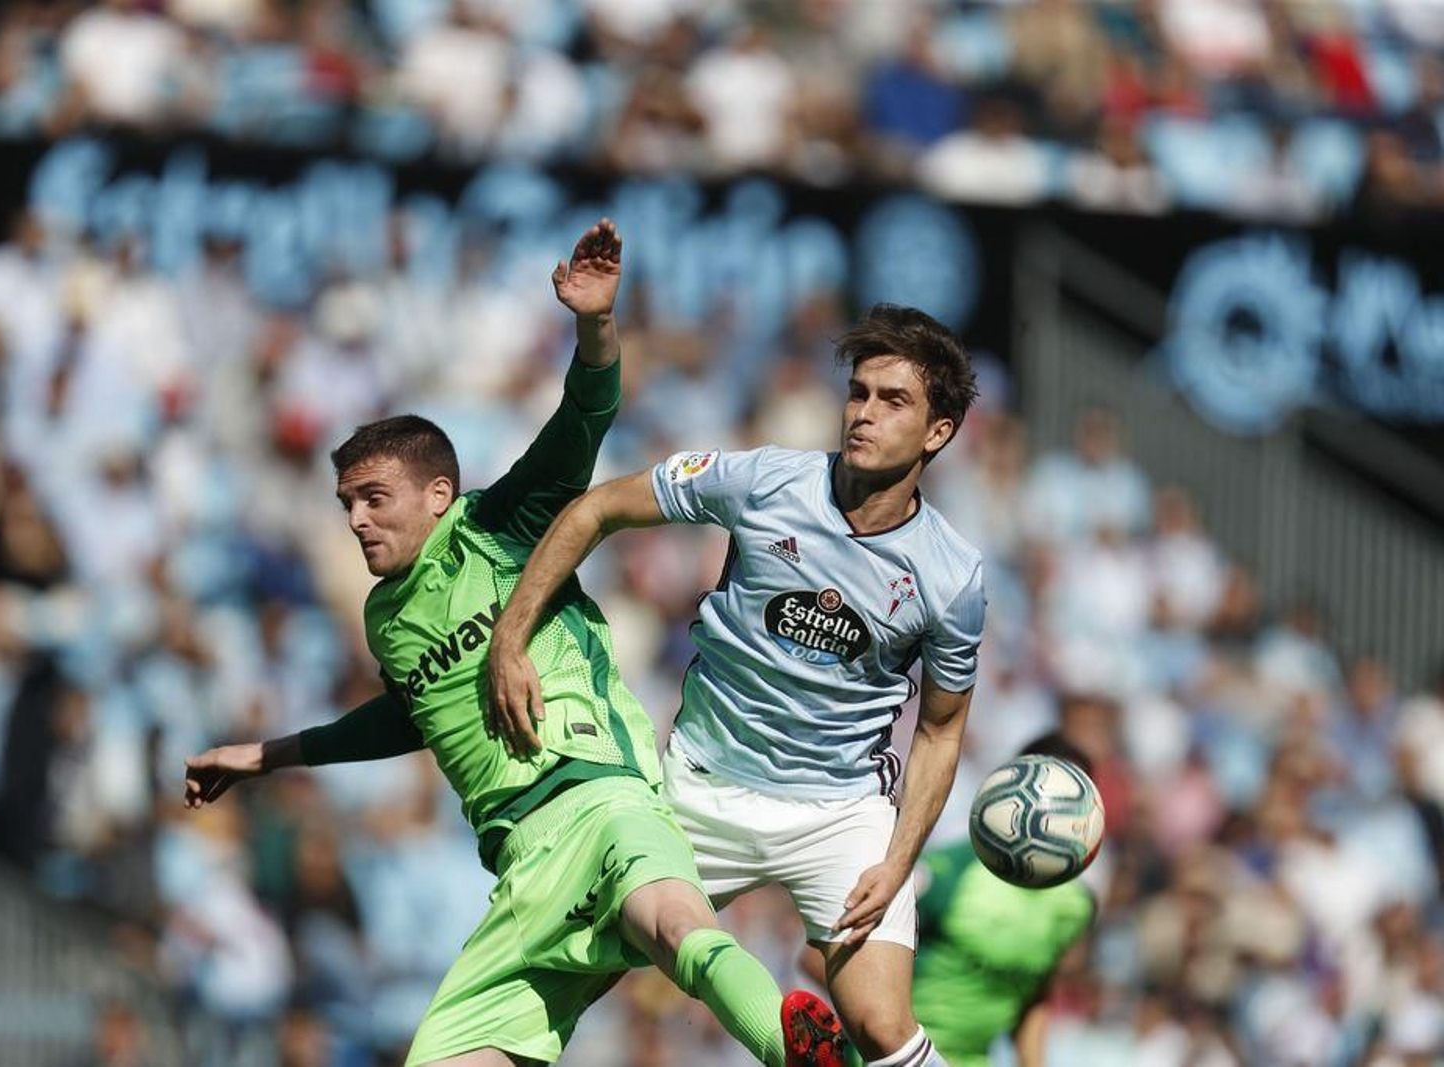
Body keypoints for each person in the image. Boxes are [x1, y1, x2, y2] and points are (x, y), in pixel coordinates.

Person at [181, 220, 843, 1067]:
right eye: (346, 501)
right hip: (523, 871)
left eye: (375, 497)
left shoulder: (501, 526)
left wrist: (596, 324)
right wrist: (264, 755)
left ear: (439, 493)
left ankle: (795, 1048)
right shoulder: (386, 616)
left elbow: (585, 416)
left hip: (600, 796)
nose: (356, 519)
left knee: (677, 927)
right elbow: (408, 718)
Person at [488, 304, 985, 1067]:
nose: (863, 413)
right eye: (858, 392)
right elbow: (597, 508)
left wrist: (896, 859)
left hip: (837, 814)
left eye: (893, 401)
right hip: (701, 790)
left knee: (883, 1027)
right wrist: (510, 635)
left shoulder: (953, 576)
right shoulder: (765, 480)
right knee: (557, 972)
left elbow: (942, 729)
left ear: (938, 432)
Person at [802, 734, 1099, 1067]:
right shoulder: (948, 876)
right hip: (894, 1058)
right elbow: (818, 957)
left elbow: (1032, 996)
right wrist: (885, 1032)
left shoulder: (1076, 906)